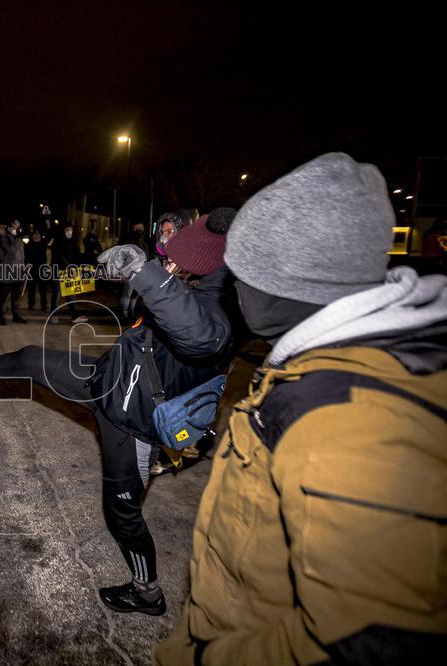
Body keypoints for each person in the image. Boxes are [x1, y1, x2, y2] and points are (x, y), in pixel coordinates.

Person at [155, 153, 447, 665]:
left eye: (241, 277)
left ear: (281, 286)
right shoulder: (345, 365)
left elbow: (366, 644)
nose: (233, 292)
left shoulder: (348, 419)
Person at [0, 218, 235, 617]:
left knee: (122, 515)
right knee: (31, 359)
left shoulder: (216, 312)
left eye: (172, 260)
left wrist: (147, 274)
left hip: (131, 424)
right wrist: (142, 281)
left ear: (199, 267)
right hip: (105, 381)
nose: (165, 263)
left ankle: (147, 591)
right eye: (164, 257)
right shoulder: (186, 285)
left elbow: (200, 335)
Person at [0, 219, 28, 324]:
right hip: (7, 272)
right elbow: (12, 251)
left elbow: (22, 255)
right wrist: (17, 239)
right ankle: (2, 316)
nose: (17, 228)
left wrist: (23, 268)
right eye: (15, 226)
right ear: (9, 228)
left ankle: (16, 316)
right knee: (4, 296)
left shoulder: (18, 239)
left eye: (18, 226)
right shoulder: (4, 239)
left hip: (17, 272)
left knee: (16, 297)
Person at [53, 224, 86, 323]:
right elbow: (58, 257)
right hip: (59, 270)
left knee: (71, 293)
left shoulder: (73, 243)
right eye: (67, 230)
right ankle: (53, 315)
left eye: (71, 230)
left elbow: (77, 257)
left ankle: (74, 316)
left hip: (71, 271)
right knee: (57, 294)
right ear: (63, 231)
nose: (69, 232)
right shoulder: (58, 242)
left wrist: (78, 268)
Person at [25, 228, 51, 312]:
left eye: (38, 234)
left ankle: (44, 305)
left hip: (42, 270)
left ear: (40, 236)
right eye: (34, 234)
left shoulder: (44, 245)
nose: (36, 236)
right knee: (31, 289)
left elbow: (47, 257)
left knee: (43, 289)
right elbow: (26, 258)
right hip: (31, 270)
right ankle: (31, 304)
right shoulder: (28, 245)